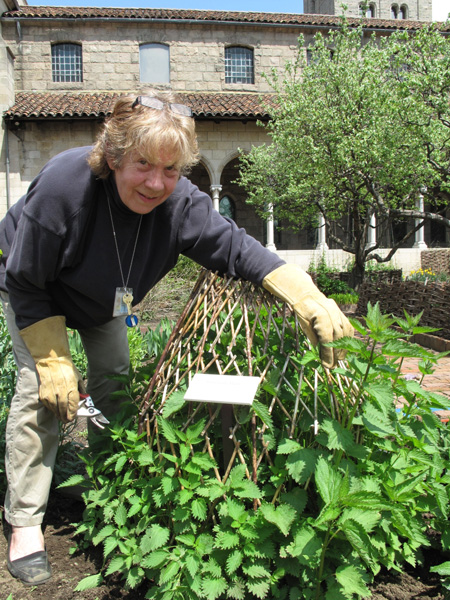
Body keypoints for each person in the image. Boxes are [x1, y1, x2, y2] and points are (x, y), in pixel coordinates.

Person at [0, 90, 353, 585]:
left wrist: (305, 295)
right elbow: (23, 278)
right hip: (38, 292)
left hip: (105, 300)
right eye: (143, 163)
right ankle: (25, 521)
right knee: (41, 395)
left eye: (171, 169)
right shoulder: (65, 186)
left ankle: (108, 481)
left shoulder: (181, 203)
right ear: (115, 154)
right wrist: (54, 358)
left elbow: (236, 247)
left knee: (115, 380)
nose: (155, 182)